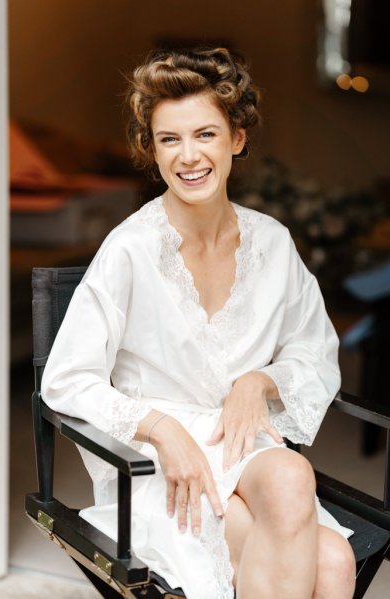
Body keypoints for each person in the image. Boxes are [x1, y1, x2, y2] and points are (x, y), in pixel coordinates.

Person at [41, 47, 356, 599]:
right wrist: (163, 429)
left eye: (205, 134)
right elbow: (66, 379)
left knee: (290, 476)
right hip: (161, 468)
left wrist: (258, 381)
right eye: (170, 139)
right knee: (330, 562)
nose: (189, 156)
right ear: (151, 150)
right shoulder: (130, 250)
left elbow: (314, 351)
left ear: (236, 138)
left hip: (244, 455)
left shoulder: (273, 244)